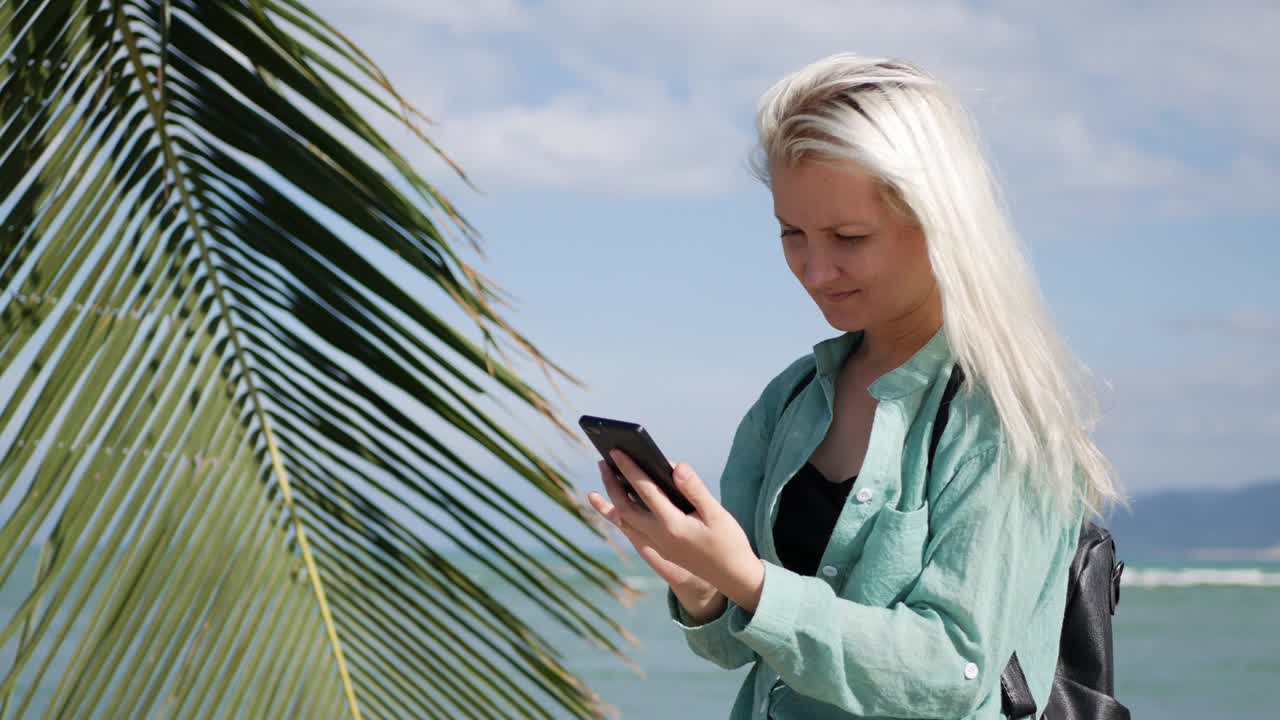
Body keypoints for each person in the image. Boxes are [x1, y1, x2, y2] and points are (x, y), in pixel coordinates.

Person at [586, 53, 1125, 720]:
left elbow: (951, 666)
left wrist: (750, 581)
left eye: (848, 236)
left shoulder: (1001, 416)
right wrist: (704, 584)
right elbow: (737, 647)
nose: (815, 271)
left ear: (939, 222)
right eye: (792, 234)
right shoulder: (790, 400)